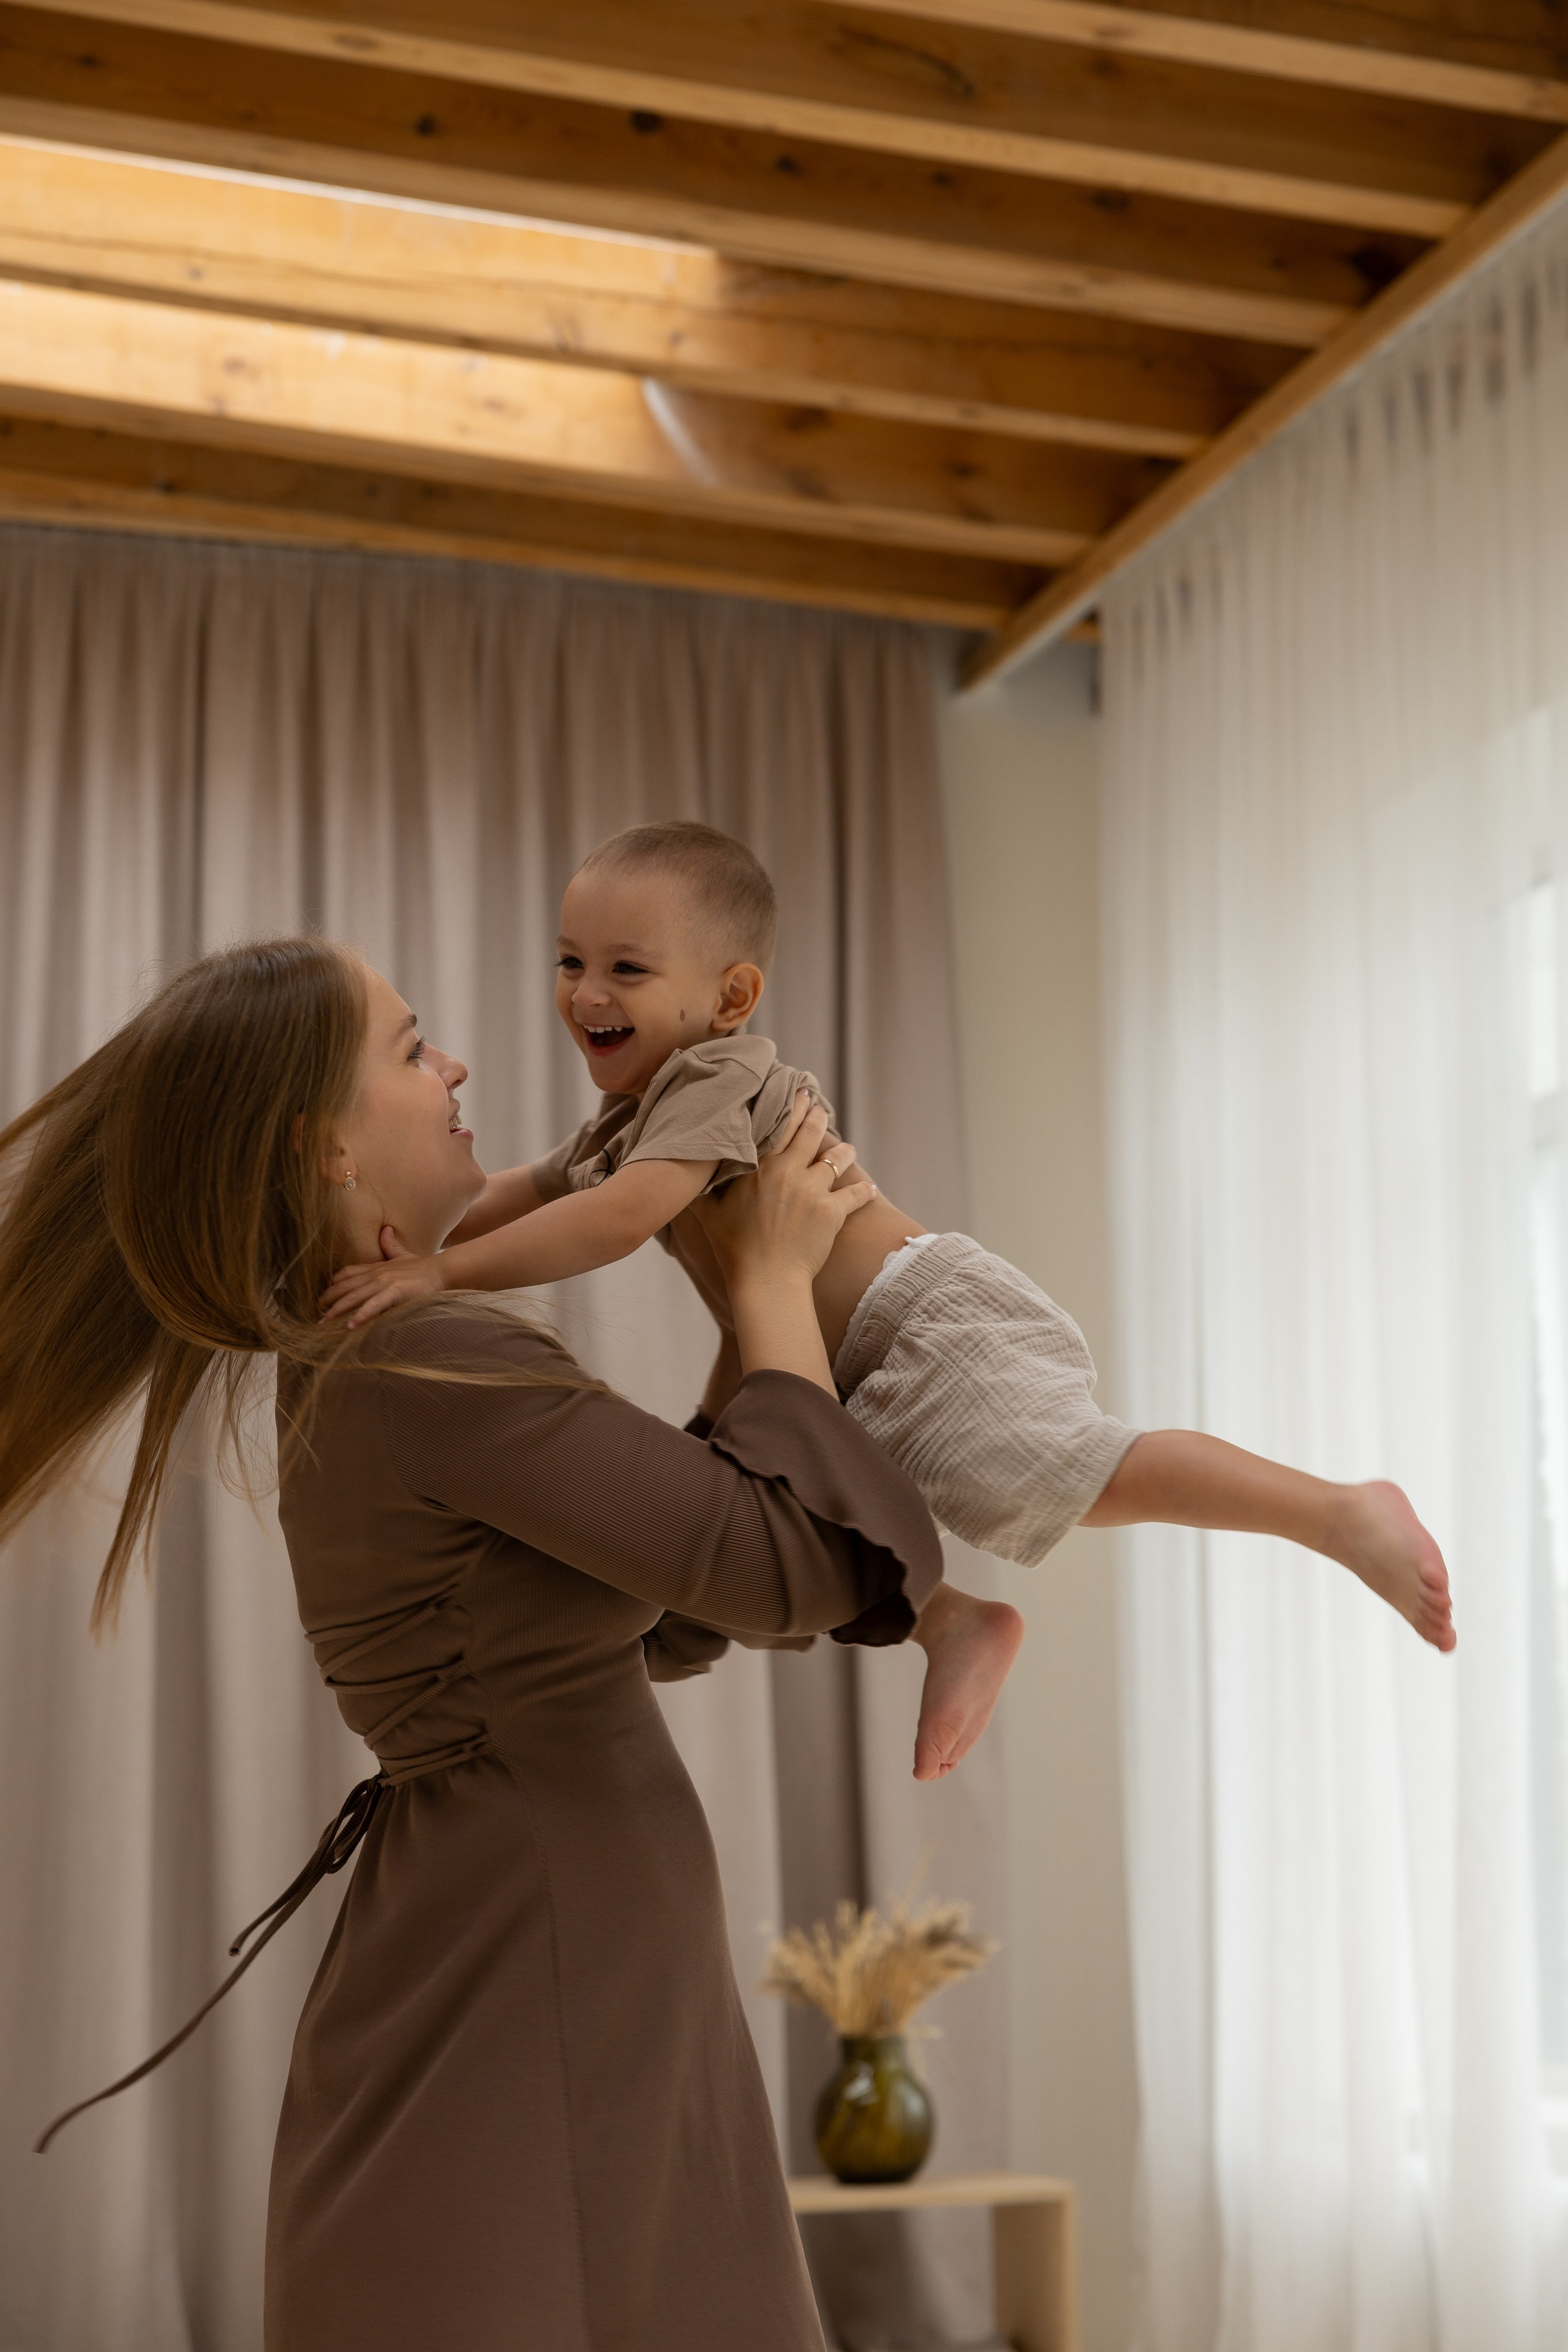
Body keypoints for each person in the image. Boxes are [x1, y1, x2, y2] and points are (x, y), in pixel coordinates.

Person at [1, 937, 948, 2352]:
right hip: (538, 1955)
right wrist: (768, 1291)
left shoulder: (383, 1358)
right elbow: (786, 1572)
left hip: (536, 1943)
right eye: (410, 1045)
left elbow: (662, 1611)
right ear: (323, 1148)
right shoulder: (422, 1361)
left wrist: (749, 1294)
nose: (451, 1069)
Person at [324, 821, 1457, 1770]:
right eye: (570, 962)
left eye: (627, 968)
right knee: (833, 1532)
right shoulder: (633, 1116)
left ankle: (1334, 1511)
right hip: (847, 1358)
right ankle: (954, 1623)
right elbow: (531, 1189)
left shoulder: (717, 1078)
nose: (587, 994)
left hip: (921, 1322)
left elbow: (616, 1217)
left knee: (1085, 1472)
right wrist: (398, 1233)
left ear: (731, 997)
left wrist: (436, 1270)